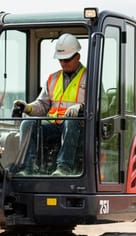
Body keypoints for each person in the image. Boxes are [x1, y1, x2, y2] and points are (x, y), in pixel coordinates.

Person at [13, 33, 86, 175]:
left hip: (78, 128)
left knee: (71, 122)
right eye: (61, 60)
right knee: (28, 124)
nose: (63, 63)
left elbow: (102, 106)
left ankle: (64, 168)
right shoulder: (53, 78)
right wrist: (27, 108)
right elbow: (42, 105)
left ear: (77, 57)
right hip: (53, 126)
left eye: (67, 59)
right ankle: (28, 168)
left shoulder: (89, 78)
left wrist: (82, 107)